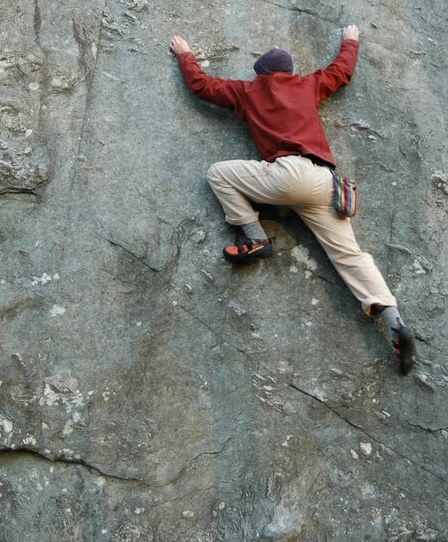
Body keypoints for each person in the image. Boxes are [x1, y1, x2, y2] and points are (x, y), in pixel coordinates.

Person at [169, 25, 416, 374]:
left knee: (218, 173)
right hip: (324, 183)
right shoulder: (308, 85)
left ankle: (255, 238)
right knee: (350, 255)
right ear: (289, 72)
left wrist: (185, 55)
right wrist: (351, 40)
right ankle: (395, 321)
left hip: (286, 175)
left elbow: (202, 86)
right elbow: (341, 71)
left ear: (261, 74)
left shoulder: (249, 92)